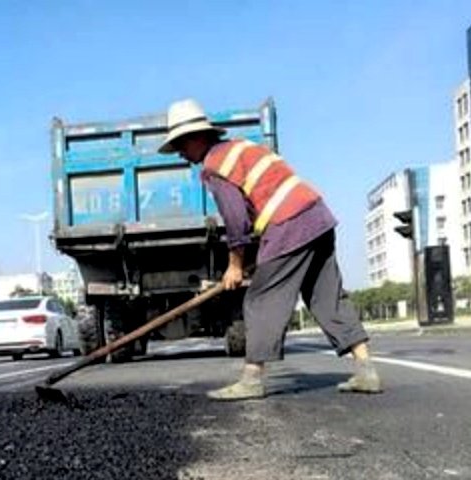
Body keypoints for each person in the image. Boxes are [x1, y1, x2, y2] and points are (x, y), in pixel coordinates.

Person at [158, 98, 382, 400]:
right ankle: (367, 370)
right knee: (326, 295)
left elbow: (236, 221)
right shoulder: (242, 148)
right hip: (317, 217)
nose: (183, 156)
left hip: (289, 224)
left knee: (261, 299)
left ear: (196, 138)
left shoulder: (215, 167)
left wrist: (235, 265)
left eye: (181, 147)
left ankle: (252, 378)